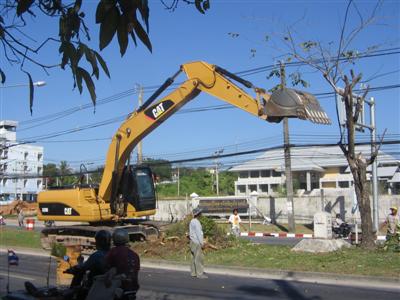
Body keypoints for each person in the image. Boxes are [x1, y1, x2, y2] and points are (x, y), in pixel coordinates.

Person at [105, 228, 140, 299]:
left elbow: (105, 267)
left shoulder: (113, 252)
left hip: (120, 289)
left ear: (114, 239)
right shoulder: (135, 254)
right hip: (133, 289)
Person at [189, 207, 207, 279]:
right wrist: (202, 243)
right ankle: (199, 274)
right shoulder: (197, 222)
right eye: (200, 213)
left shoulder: (192, 221)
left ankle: (193, 272)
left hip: (192, 241)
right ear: (198, 214)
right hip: (197, 242)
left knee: (193, 258)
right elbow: (199, 234)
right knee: (199, 258)